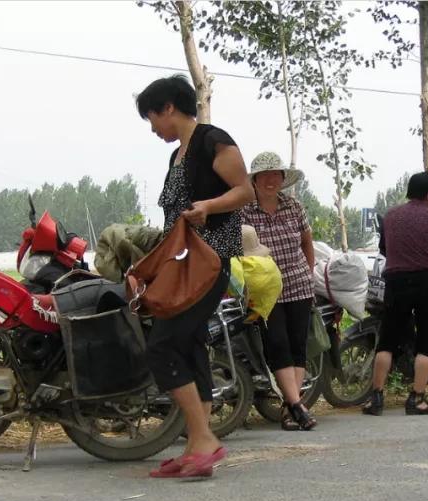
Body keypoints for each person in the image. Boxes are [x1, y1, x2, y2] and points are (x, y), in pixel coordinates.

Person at [136, 75, 254, 478]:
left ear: (168, 107)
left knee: (163, 346)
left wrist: (208, 206)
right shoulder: (177, 156)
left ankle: (205, 439)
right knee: (188, 346)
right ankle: (195, 446)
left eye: (152, 118)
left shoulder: (211, 140)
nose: (153, 129)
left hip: (208, 262)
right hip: (181, 263)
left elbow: (245, 191)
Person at [362, 171, 428, 416]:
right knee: (426, 341)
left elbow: (384, 249)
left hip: (396, 281)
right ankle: (417, 398)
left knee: (388, 340)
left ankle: (376, 398)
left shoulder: (390, 217)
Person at [240, 152, 318, 431]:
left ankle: (291, 407)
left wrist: (308, 273)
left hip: (298, 284)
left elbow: (307, 243)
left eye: (276, 175)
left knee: (298, 346)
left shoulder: (294, 206)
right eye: (265, 176)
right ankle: (297, 406)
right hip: (264, 290)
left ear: (283, 179)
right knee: (277, 346)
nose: (271, 180)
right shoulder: (245, 210)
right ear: (255, 180)